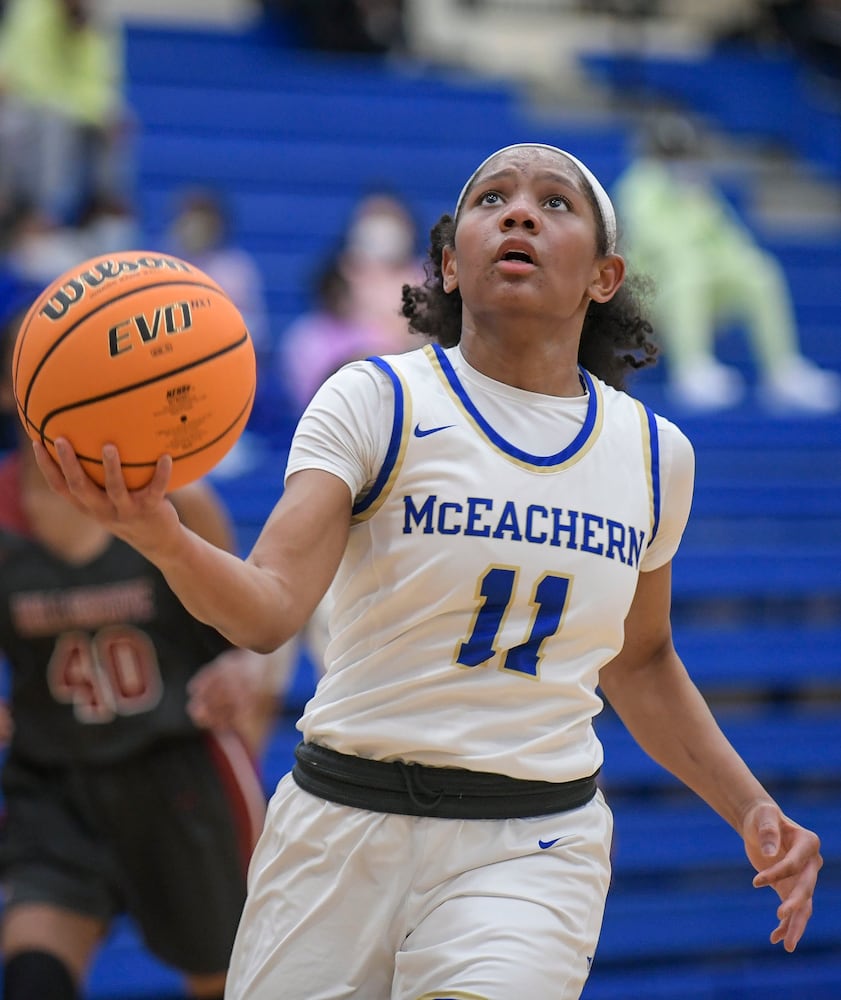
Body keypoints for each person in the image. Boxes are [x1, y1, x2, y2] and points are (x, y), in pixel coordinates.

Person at [34, 143, 822, 1000]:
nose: (519, 212)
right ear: (449, 262)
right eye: (492, 199)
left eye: (555, 203)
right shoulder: (375, 399)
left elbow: (639, 660)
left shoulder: (652, 454)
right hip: (339, 825)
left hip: (530, 840)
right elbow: (266, 613)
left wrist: (750, 806)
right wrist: (161, 535)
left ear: (604, 276)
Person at [0, 306, 269, 1000]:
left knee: (228, 981)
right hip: (54, 779)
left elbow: (256, 633)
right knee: (31, 974)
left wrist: (246, 673)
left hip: (176, 772)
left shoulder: (182, 499)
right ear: (11, 391)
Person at [612, 113, 841, 413]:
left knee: (759, 271)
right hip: (651, 291)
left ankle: (783, 371)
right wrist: (693, 218)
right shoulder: (637, 186)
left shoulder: (698, 190)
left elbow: (733, 240)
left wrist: (700, 210)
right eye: (671, 152)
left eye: (683, 152)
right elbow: (655, 242)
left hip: (705, 284)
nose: (679, 160)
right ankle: (692, 370)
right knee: (688, 268)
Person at [0, 0, 133, 229]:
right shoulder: (30, 10)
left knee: (119, 120)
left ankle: (105, 210)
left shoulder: (100, 23)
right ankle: (40, 215)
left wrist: (96, 112)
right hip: (30, 104)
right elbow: (22, 73)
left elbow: (102, 83)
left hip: (73, 108)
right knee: (48, 124)